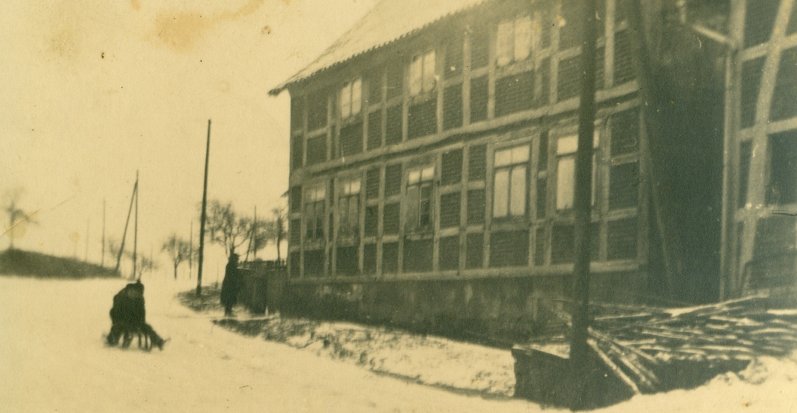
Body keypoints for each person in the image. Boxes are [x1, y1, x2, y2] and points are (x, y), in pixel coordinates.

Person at [107, 280, 166, 350]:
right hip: (120, 319)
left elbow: (142, 312)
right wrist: (119, 321)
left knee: (147, 327)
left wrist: (141, 323)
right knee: (120, 326)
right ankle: (113, 339)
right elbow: (115, 312)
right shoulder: (121, 298)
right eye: (134, 292)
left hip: (134, 320)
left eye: (137, 294)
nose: (135, 294)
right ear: (129, 290)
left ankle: (158, 341)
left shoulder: (139, 299)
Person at [220, 252, 240, 317]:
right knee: (229, 298)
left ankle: (229, 311)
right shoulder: (231, 265)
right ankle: (228, 312)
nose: (237, 260)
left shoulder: (230, 265)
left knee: (230, 298)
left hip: (229, 284)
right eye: (237, 259)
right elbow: (232, 275)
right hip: (229, 284)